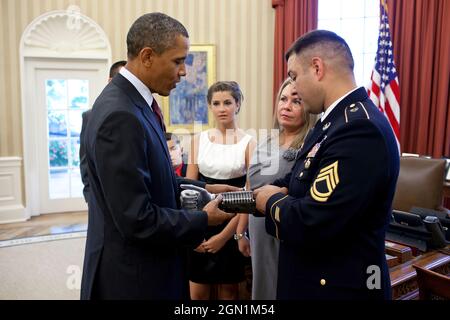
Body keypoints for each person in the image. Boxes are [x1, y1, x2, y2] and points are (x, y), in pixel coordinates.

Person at [80, 13, 234, 300]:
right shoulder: (120, 115)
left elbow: (154, 177)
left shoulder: (138, 103)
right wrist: (203, 219)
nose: (184, 72)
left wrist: (207, 189)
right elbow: (137, 219)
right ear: (147, 56)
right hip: (134, 278)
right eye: (178, 61)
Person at [254, 30, 400, 300]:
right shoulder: (331, 122)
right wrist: (247, 196)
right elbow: (299, 181)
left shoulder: (359, 129)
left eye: (294, 76)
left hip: (337, 287)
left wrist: (268, 202)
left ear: (317, 68)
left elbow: (313, 220)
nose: (293, 88)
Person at [236, 78, 317, 299]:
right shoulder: (266, 140)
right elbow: (250, 186)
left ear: (308, 108)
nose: (286, 106)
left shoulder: (310, 145)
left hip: (284, 225)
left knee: (279, 286)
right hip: (257, 225)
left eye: (296, 101)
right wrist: (240, 232)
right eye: (283, 99)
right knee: (261, 284)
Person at [186, 81, 256, 300]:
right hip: (201, 223)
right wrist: (192, 235)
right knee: (197, 294)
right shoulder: (198, 140)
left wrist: (226, 237)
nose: (222, 108)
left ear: (237, 104)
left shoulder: (249, 143)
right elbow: (188, 191)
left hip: (232, 224)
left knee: (229, 294)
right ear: (210, 106)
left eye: (227, 102)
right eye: (216, 103)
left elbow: (248, 198)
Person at [79, 60, 126, 203]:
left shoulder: (140, 114)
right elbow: (85, 160)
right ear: (110, 81)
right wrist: (89, 195)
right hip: (100, 198)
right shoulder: (90, 116)